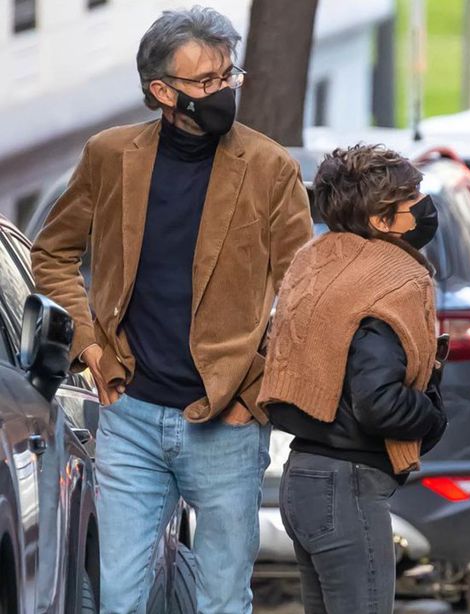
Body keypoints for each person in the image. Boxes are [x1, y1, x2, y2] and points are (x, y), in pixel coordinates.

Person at [30, 7, 313, 612]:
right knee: (121, 601)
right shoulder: (110, 156)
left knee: (220, 601)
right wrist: (91, 347)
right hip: (129, 414)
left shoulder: (268, 167)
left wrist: (254, 392)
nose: (223, 91)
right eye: (206, 83)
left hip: (226, 425)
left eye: (228, 76)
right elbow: (52, 255)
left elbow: (303, 292)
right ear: (163, 92)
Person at [257, 144, 447, 613]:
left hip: (302, 478)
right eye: (412, 201)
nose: (424, 209)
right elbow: (379, 403)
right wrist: (432, 413)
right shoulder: (392, 280)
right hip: (348, 485)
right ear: (381, 221)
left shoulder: (315, 262)